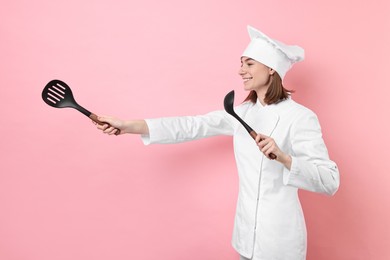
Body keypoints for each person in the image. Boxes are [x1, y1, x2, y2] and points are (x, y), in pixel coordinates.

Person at [94, 25, 340, 260]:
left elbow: (329, 181)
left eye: (249, 63)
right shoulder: (241, 113)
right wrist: (127, 125)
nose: (241, 70)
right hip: (245, 238)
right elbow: (191, 125)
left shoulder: (300, 117)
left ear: (272, 69)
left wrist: (284, 157)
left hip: (279, 241)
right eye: (241, 63)